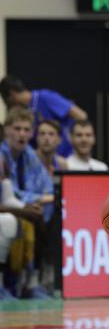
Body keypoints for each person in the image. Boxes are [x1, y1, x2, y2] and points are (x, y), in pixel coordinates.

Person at [0, 107, 52, 298]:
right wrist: (29, 204)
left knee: (46, 211)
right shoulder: (1, 155)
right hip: (6, 210)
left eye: (26, 130)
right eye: (17, 129)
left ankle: (33, 281)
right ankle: (10, 282)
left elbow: (46, 188)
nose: (21, 134)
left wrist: (34, 203)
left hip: (11, 205)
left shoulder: (29, 154)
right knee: (15, 220)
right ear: (6, 130)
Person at [0, 76, 88, 157]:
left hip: (65, 157)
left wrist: (69, 141)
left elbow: (81, 116)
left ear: (12, 95)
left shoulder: (45, 97)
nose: (7, 106)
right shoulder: (24, 112)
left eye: (6, 102)